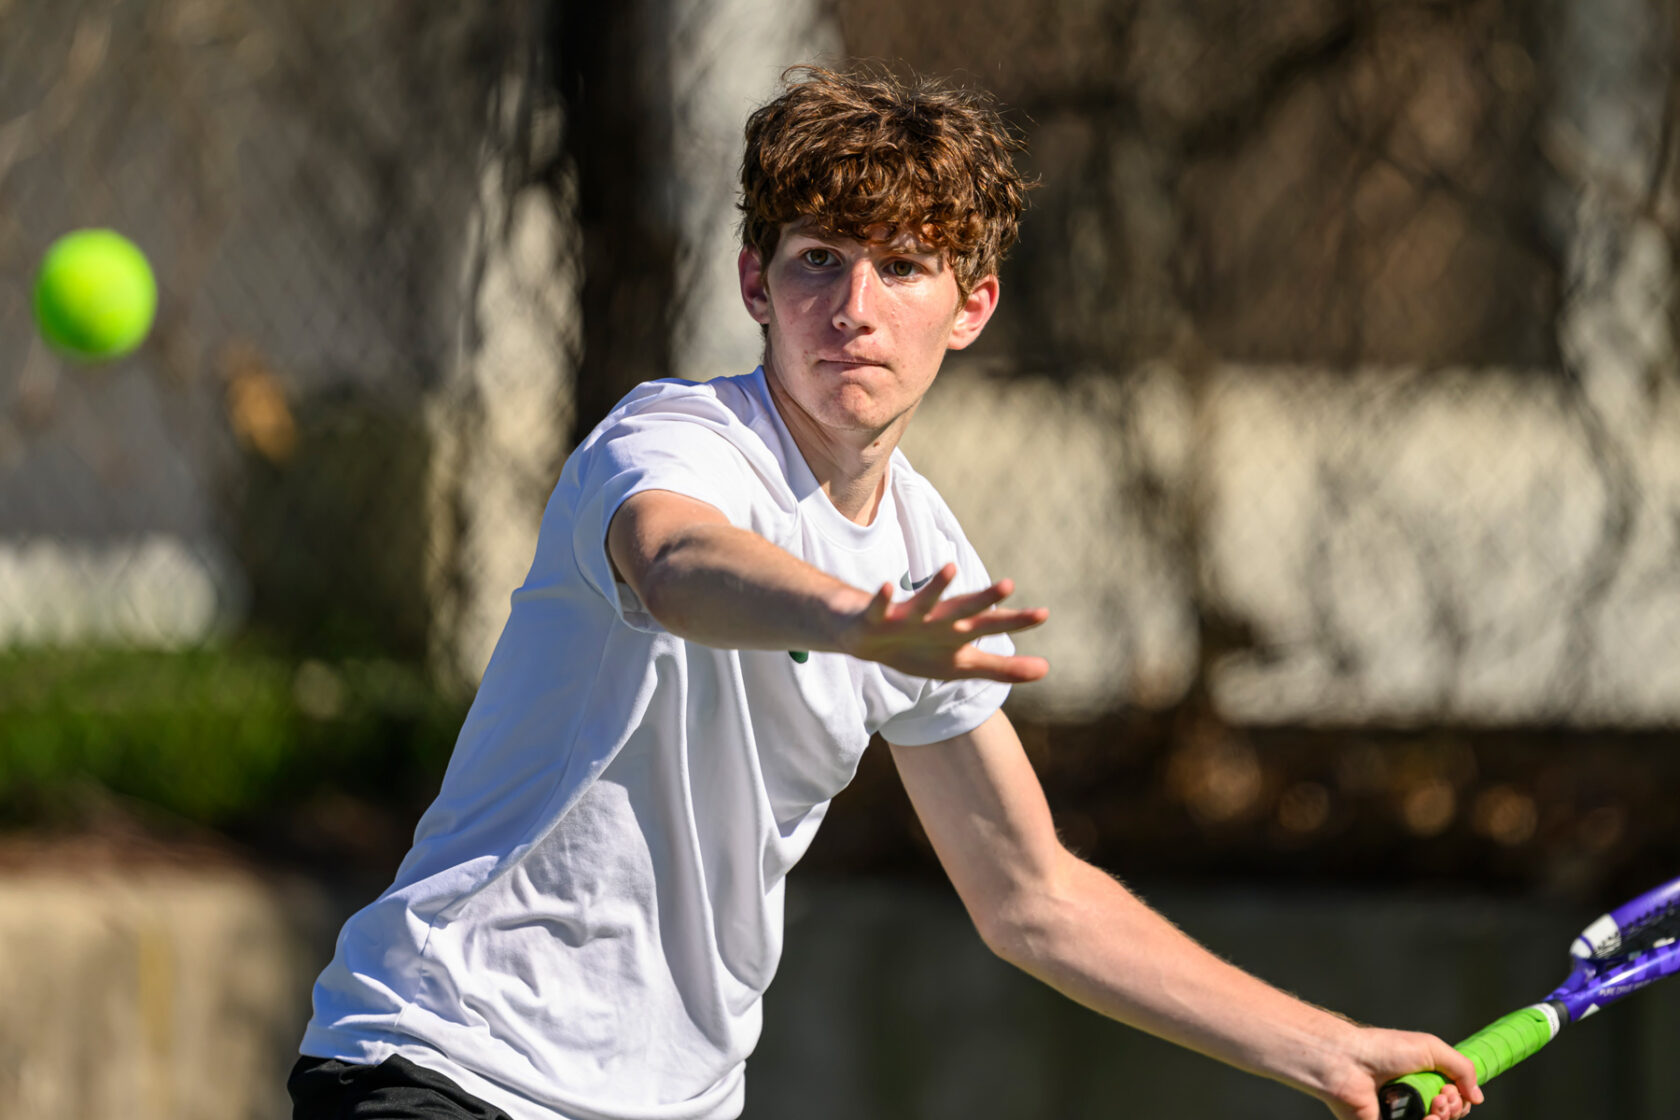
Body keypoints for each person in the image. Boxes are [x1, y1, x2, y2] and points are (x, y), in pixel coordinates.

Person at [289, 67, 1483, 1120]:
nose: (854, 308)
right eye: (819, 261)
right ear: (757, 283)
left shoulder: (921, 553)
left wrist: (1321, 1046)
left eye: (903, 267)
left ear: (971, 307)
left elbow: (1033, 895)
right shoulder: (675, 439)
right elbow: (673, 562)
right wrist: (850, 619)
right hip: (440, 1062)